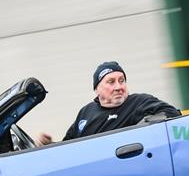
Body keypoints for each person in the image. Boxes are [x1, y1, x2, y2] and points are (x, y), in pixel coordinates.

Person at [36, 61, 181, 145]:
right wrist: (50, 145)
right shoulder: (85, 112)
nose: (118, 87)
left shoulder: (139, 102)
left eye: (121, 80)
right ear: (97, 89)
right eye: (111, 82)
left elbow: (173, 114)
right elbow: (68, 146)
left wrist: (140, 129)